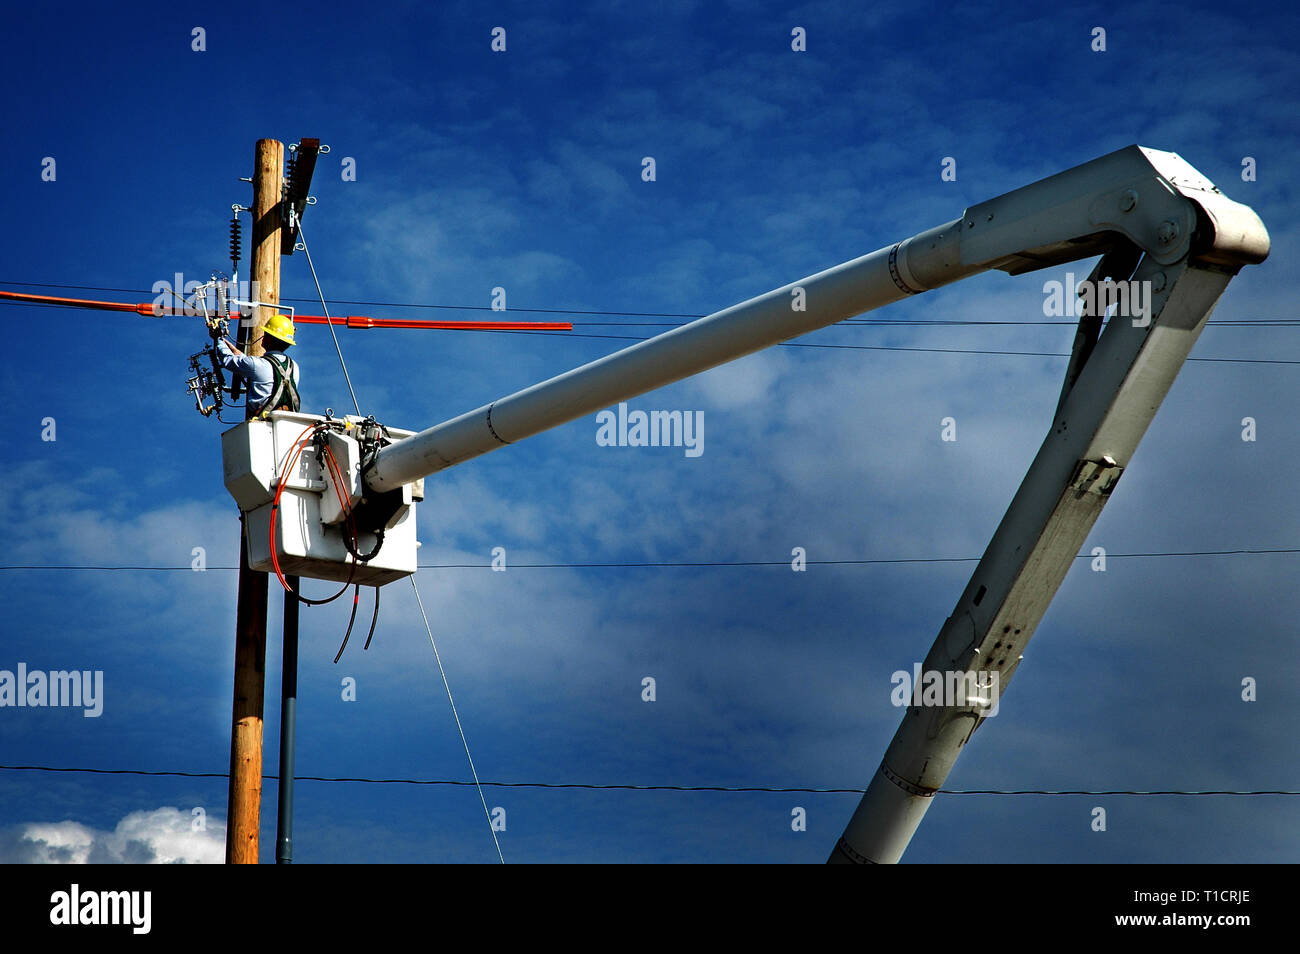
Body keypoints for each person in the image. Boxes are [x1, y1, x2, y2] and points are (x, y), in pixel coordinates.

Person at [210, 313, 301, 415]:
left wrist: (218, 338)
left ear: (270, 339)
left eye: (266, 334)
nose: (263, 336)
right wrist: (237, 352)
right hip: (288, 421)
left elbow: (228, 360)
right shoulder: (294, 366)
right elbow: (257, 366)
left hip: (262, 423)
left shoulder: (256, 364)